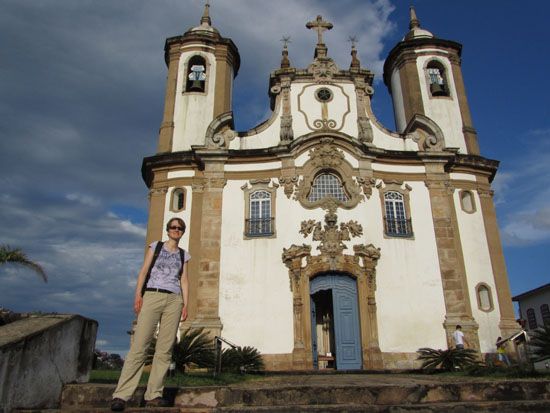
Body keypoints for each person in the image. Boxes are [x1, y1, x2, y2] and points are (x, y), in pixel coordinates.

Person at [110, 217, 190, 412]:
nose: (176, 230)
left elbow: (184, 280)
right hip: (152, 295)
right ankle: (121, 395)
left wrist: (185, 304)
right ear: (167, 229)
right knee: (139, 346)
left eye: (179, 228)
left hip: (174, 300)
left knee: (164, 350)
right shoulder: (156, 247)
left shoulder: (183, 255)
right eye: (173, 227)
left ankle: (154, 395)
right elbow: (144, 271)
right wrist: (138, 294)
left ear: (183, 231)